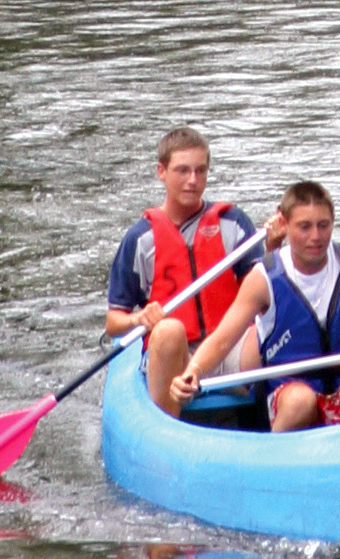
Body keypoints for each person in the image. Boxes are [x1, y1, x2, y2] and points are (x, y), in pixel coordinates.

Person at [174, 180, 340, 432]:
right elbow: (222, 340)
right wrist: (194, 371)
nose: (315, 237)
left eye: (323, 225)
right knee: (300, 401)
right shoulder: (263, 278)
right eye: (304, 227)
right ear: (284, 224)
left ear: (333, 222)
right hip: (291, 389)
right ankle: (280, 462)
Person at [105, 128, 277, 417]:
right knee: (170, 330)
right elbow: (113, 321)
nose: (193, 180)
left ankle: (276, 416)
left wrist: (274, 246)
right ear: (161, 171)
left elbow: (263, 292)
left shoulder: (232, 223)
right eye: (182, 171)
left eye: (200, 170)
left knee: (271, 332)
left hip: (227, 346)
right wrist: (139, 318)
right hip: (174, 358)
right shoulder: (140, 239)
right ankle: (167, 424)